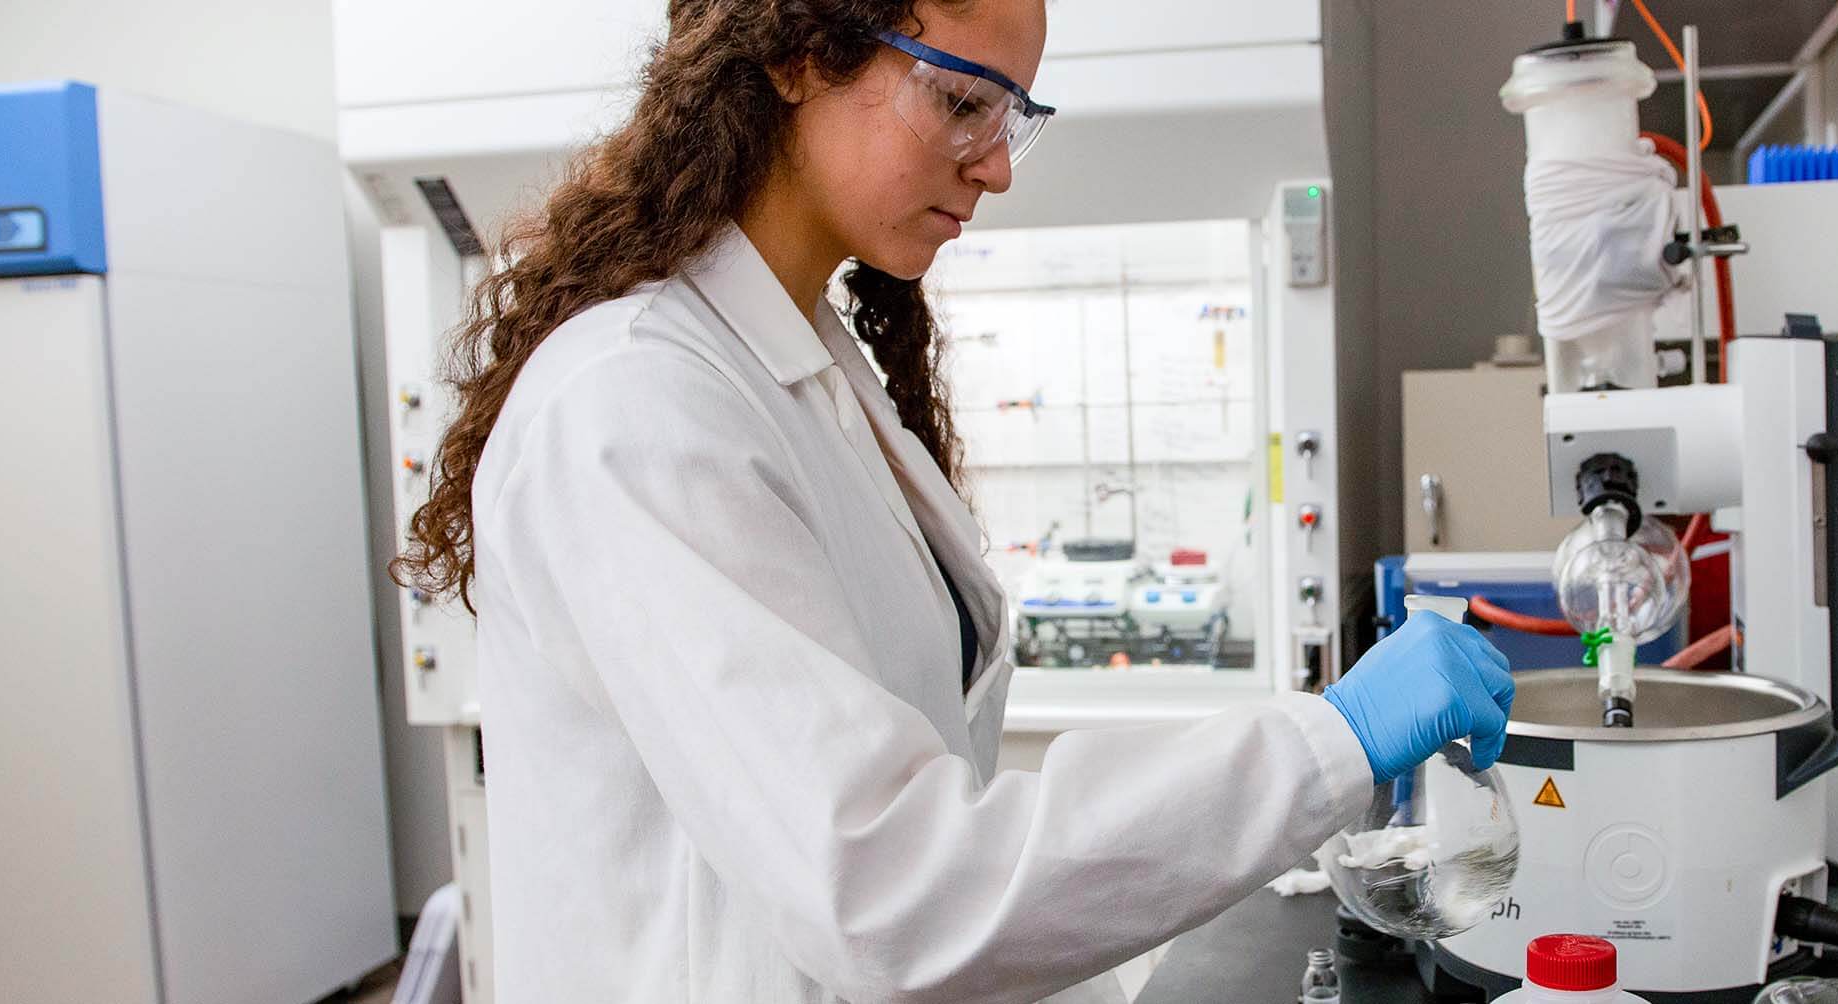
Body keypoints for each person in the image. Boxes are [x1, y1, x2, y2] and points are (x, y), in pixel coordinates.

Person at [390, 1, 1514, 1001]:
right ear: (795, 53)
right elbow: (890, 887)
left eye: (1011, 113)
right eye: (962, 99)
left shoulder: (805, 368)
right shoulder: (635, 403)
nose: (997, 164)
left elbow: (919, 815)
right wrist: (1326, 741)